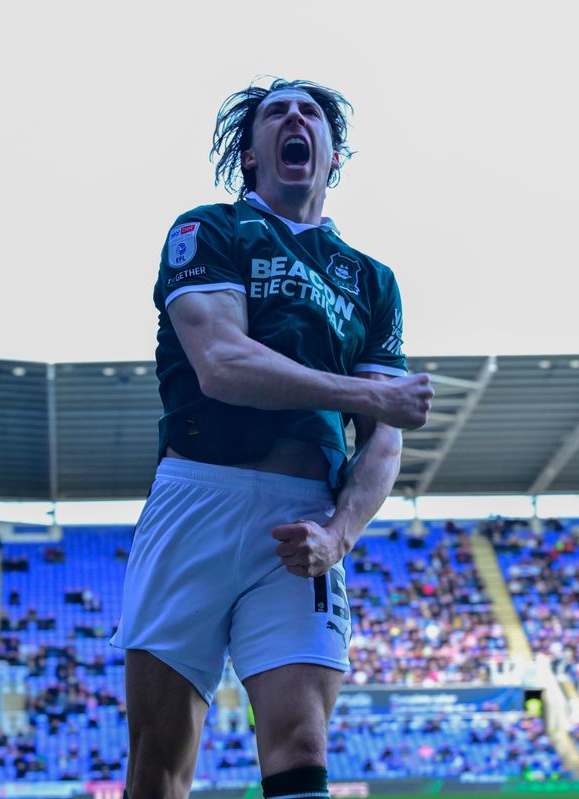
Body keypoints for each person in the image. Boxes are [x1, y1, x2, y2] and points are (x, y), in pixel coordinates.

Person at [110, 77, 433, 799]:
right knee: (159, 760)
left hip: (304, 517)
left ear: (332, 155)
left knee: (303, 742)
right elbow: (223, 364)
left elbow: (383, 442)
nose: (295, 117)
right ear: (251, 154)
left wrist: (340, 536)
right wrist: (366, 394)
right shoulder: (208, 230)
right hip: (197, 499)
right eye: (276, 111)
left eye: (310, 112)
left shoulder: (371, 280)